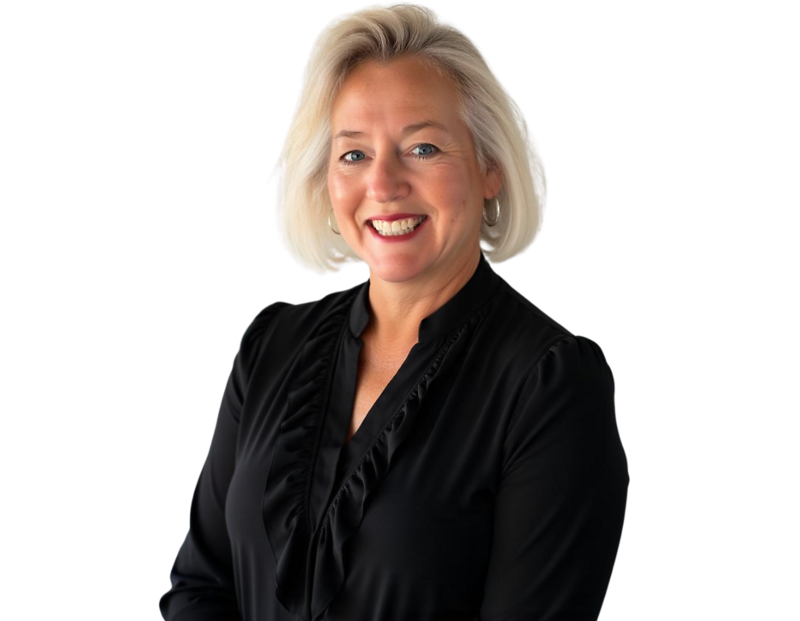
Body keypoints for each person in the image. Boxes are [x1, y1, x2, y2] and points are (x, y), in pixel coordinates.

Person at [157, 2, 628, 620]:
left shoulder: (550, 382)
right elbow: (198, 585)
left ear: (489, 166)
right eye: (353, 154)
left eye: (423, 147)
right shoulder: (270, 345)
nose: (383, 184)